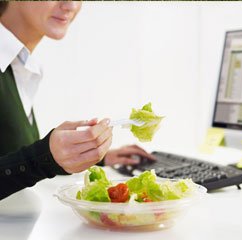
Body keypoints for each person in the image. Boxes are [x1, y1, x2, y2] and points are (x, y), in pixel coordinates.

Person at [0, 1, 155, 200]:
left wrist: (83, 156)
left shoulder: (17, 65)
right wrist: (45, 157)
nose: (71, 5)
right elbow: (31, 160)